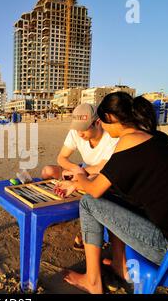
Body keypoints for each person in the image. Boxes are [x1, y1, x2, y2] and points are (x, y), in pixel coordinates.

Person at [54, 92, 168, 294]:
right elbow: (123, 182)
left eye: (102, 121)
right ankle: (118, 264)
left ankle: (93, 281)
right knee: (113, 198)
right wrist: (84, 178)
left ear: (111, 119)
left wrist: (78, 178)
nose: (102, 127)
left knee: (88, 203)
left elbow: (95, 190)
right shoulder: (158, 137)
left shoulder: (126, 143)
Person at [42, 103, 119, 250]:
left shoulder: (110, 136)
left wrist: (79, 175)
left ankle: (89, 230)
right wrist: (76, 169)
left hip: (100, 175)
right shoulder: (76, 132)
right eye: (76, 128)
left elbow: (103, 167)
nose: (79, 133)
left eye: (83, 129)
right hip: (83, 169)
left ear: (97, 123)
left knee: (92, 185)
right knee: (47, 171)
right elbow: (61, 158)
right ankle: (53, 214)